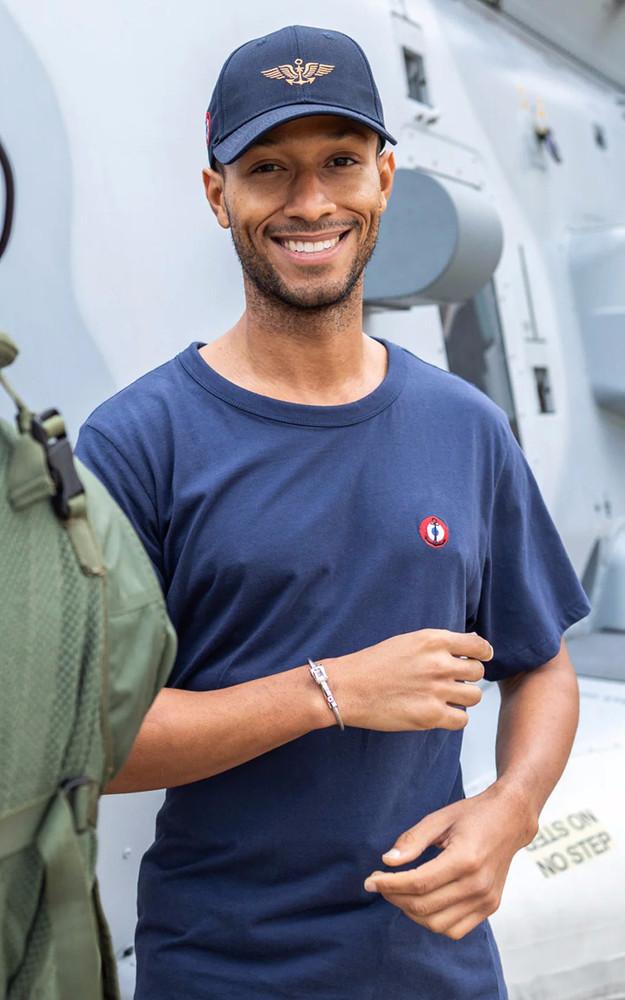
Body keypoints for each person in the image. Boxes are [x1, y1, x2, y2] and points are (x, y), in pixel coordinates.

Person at [75, 23, 591, 1000]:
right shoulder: (136, 443)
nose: (310, 202)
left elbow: (541, 664)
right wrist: (330, 689)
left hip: (436, 968)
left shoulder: (465, 428)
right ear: (216, 192)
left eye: (339, 162)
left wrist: (511, 807)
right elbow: (85, 744)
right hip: (221, 972)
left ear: (384, 180)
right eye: (267, 167)